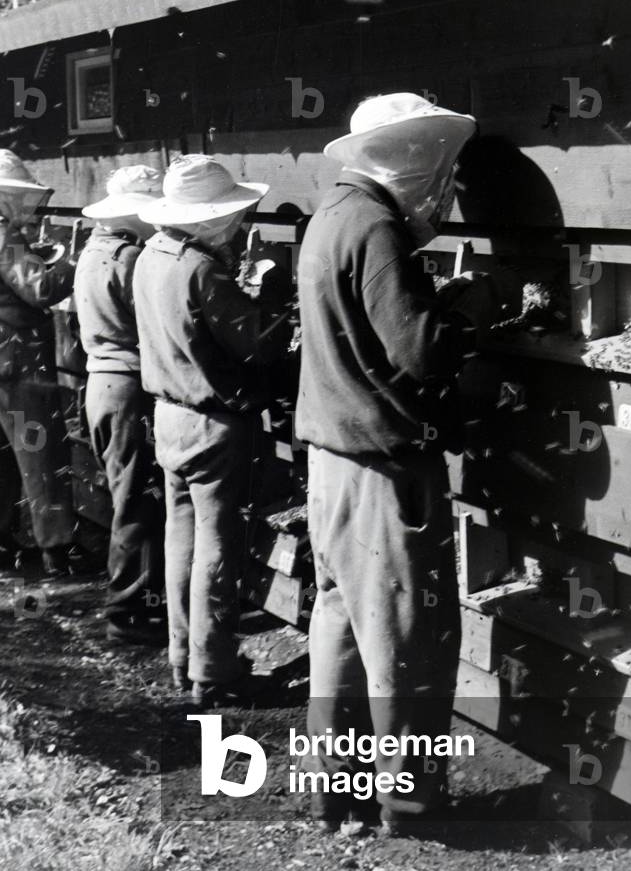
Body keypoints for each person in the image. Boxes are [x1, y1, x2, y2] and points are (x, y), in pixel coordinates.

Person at [295, 93, 517, 835]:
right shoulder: (378, 227)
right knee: (408, 643)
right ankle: (410, 804)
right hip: (384, 474)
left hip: (332, 464)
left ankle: (334, 789)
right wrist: (473, 304)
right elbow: (421, 350)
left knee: (340, 629)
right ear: (414, 159)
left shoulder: (332, 213)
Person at [134, 155, 290, 707]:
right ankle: (214, 671)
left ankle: (183, 658)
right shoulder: (202, 268)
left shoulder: (151, 254)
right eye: (231, 215)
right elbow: (260, 343)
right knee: (217, 549)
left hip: (168, 416)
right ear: (210, 218)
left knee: (180, 540)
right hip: (212, 424)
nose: (237, 223)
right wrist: (275, 291)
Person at [74, 166, 166, 644]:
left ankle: (135, 604)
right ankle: (128, 612)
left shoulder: (93, 250)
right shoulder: (131, 258)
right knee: (138, 504)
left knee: (128, 499)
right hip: (130, 387)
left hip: (102, 385)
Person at [0, 150, 86, 576]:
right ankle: (58, 551)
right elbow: (42, 289)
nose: (24, 205)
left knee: (4, 458)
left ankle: (5, 542)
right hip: (21, 364)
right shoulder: (3, 235)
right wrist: (72, 260)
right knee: (43, 456)